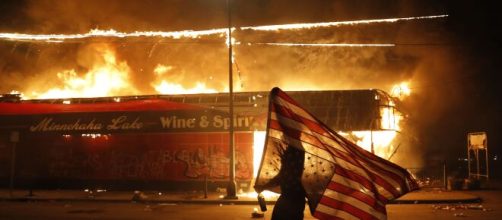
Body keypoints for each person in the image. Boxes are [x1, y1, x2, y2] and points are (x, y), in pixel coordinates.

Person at [255, 145, 306, 220]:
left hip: (290, 197)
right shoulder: (297, 149)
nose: (282, 135)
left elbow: (283, 176)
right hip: (295, 196)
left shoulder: (294, 151)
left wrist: (264, 186)